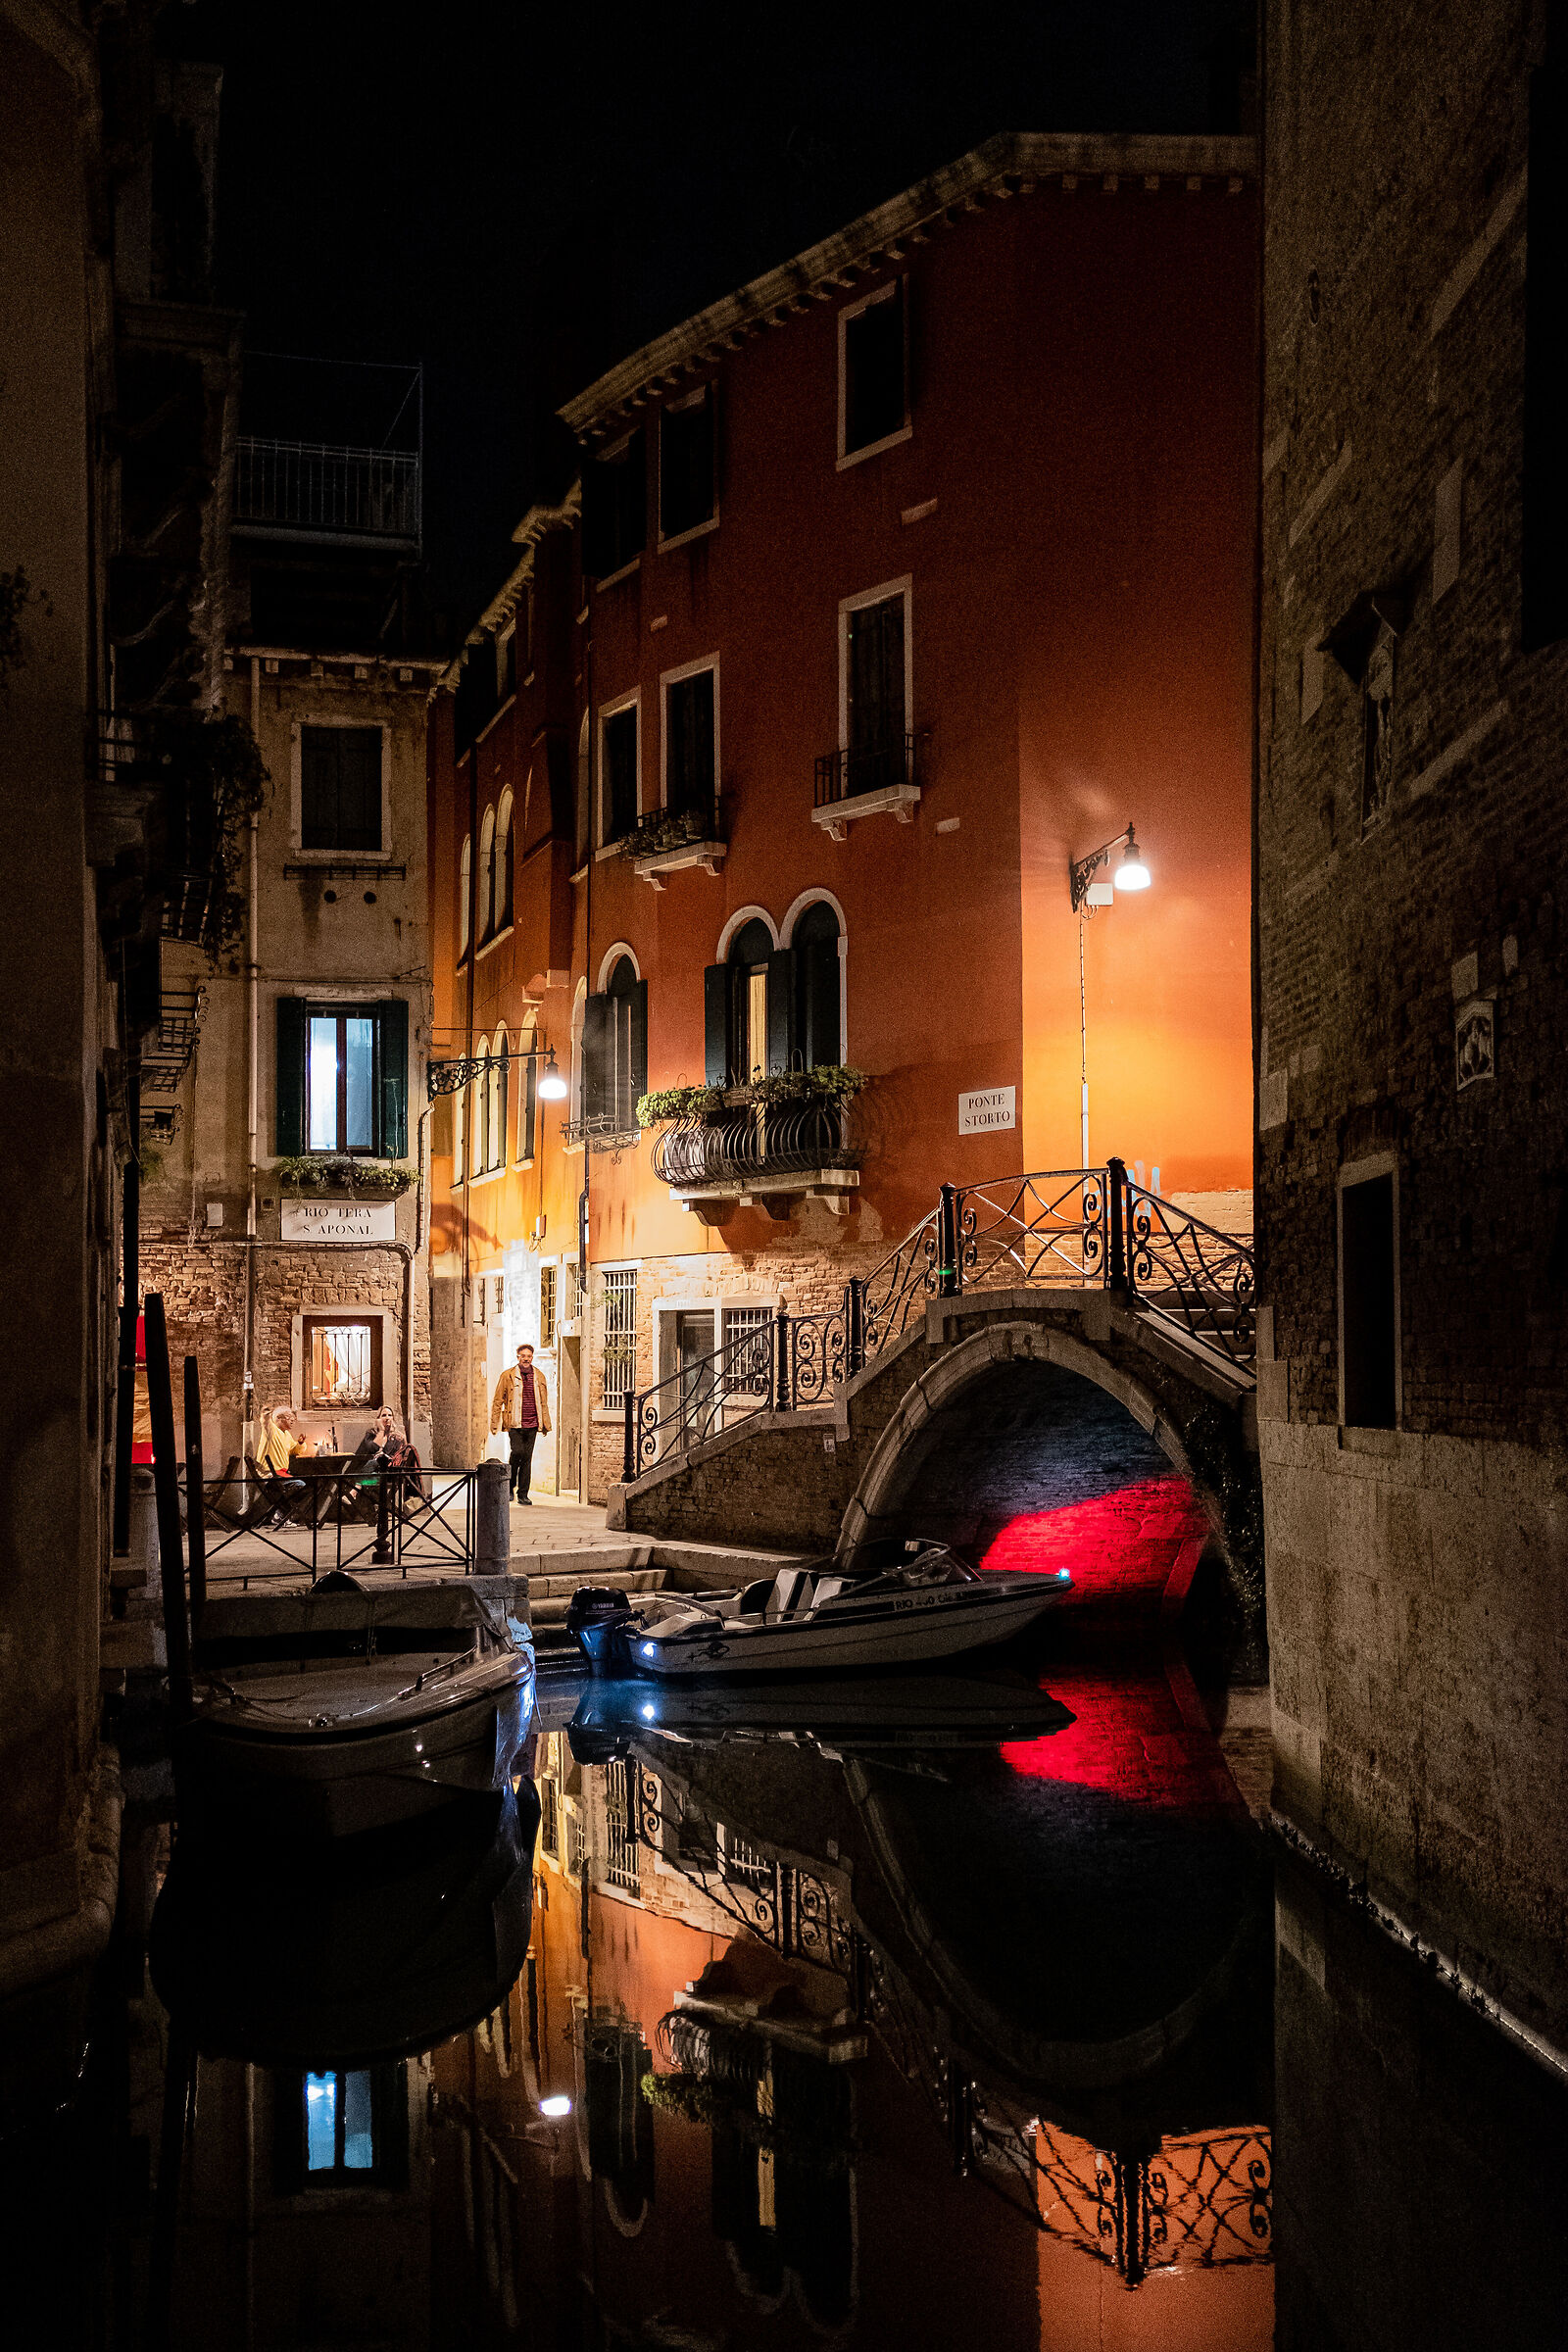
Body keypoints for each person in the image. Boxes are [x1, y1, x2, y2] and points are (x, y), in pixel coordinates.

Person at [490, 1343, 551, 1503]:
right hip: (515, 1423)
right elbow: (498, 1400)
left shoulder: (539, 1376)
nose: (526, 1359)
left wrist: (545, 1423)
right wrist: (494, 1422)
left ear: (532, 1357)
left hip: (532, 1423)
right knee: (517, 1452)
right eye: (523, 1356)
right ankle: (510, 1487)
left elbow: (544, 1402)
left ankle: (523, 1494)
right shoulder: (507, 1376)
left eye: (529, 1356)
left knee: (527, 1458)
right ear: (518, 1357)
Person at [247, 1404, 314, 1528]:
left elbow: (294, 1450)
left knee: (308, 1484)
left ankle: (280, 1514)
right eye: (289, 1417)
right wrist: (265, 1414)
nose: (292, 1420)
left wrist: (300, 1443)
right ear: (279, 1418)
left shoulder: (286, 1434)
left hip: (281, 1473)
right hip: (270, 1474)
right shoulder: (271, 1430)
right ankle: (282, 1515)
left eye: (293, 1418)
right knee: (299, 1485)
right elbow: (265, 1423)